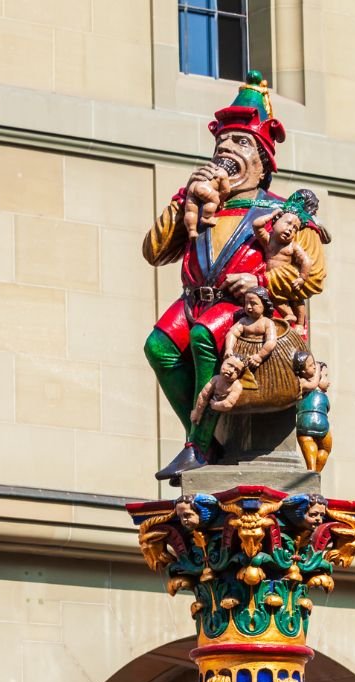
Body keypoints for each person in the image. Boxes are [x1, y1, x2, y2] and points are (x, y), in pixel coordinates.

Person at [142, 73, 326, 482]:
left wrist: (262, 286)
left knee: (207, 335)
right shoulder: (199, 203)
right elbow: (155, 252)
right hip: (195, 299)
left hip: (243, 310)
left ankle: (199, 443)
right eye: (222, 143)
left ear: (263, 163)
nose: (226, 149)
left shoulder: (282, 213)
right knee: (158, 346)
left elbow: (311, 276)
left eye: (241, 143)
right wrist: (182, 200)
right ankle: (202, 432)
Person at [293, 349, 332, 472]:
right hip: (315, 424)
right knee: (320, 447)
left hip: (310, 423)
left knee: (318, 446)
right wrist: (318, 369)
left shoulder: (318, 392)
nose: (328, 382)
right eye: (325, 376)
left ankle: (314, 471)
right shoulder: (305, 384)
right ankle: (313, 470)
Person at [191, 351, 248, 425]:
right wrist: (197, 412)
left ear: (239, 374)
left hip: (224, 416)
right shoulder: (216, 379)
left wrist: (215, 405)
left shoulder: (236, 386)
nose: (231, 371)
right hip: (210, 409)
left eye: (236, 371)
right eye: (230, 365)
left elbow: (228, 404)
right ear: (223, 362)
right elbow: (203, 395)